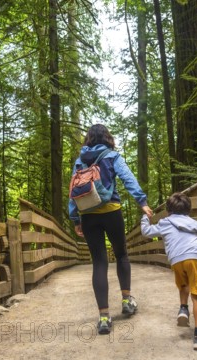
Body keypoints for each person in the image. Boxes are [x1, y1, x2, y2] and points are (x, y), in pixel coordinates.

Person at [69, 124, 153, 335]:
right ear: (107, 138)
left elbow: (73, 190)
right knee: (121, 255)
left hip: (88, 215)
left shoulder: (80, 160)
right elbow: (128, 178)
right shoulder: (112, 156)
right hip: (112, 211)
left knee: (99, 262)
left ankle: (104, 318)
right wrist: (141, 201)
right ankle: (126, 301)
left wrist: (75, 218)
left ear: (88, 139)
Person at [140, 192, 197, 350]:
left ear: (169, 210)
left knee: (184, 285)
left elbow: (146, 232)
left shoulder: (164, 223)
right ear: (188, 210)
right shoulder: (192, 222)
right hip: (194, 257)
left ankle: (183, 308)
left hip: (176, 260)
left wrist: (145, 217)